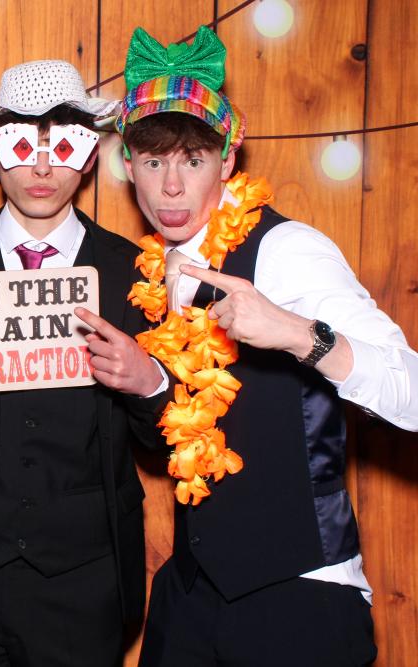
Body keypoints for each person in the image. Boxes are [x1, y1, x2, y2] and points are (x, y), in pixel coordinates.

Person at [112, 26, 418, 666]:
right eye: (154, 162)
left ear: (227, 162)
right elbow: (186, 436)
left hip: (300, 595)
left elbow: (411, 391)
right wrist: (149, 386)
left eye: (193, 161)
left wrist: (300, 335)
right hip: (192, 595)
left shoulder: (287, 250)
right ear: (129, 165)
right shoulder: (154, 274)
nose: (171, 188)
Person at [0, 60, 170, 666]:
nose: (43, 169)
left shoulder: (134, 271)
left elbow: (164, 442)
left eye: (63, 147)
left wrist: (147, 381)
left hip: (86, 582)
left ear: (89, 156)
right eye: (22, 146)